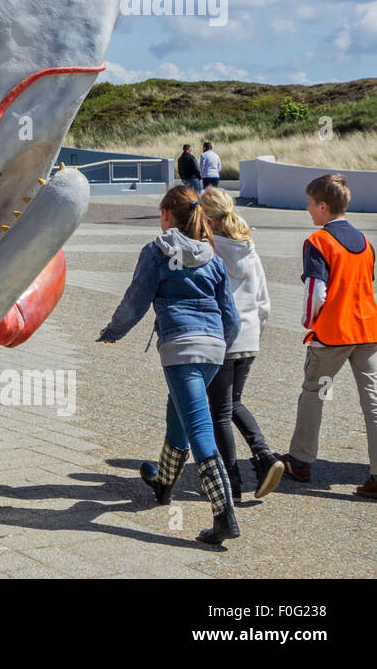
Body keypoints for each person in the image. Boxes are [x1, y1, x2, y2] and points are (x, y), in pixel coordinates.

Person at [95, 185, 242, 544]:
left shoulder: (157, 251)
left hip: (181, 347)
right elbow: (232, 319)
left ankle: (224, 515)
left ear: (165, 215)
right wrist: (219, 346)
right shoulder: (212, 256)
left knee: (199, 427)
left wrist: (112, 331)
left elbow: (135, 302)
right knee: (178, 413)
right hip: (212, 348)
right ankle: (162, 483)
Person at [278, 174, 377, 499]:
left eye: (309, 204)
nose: (308, 210)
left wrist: (310, 323)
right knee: (373, 401)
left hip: (334, 333)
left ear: (323, 206)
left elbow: (316, 291)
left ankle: (302, 460)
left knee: (315, 393)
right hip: (367, 331)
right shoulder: (365, 242)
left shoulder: (319, 242)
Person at [199, 187, 283, 501]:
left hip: (221, 339)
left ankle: (231, 479)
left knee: (219, 412)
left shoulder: (208, 249)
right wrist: (256, 333)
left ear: (207, 218)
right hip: (249, 338)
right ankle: (264, 457)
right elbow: (264, 303)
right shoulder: (249, 248)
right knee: (233, 403)